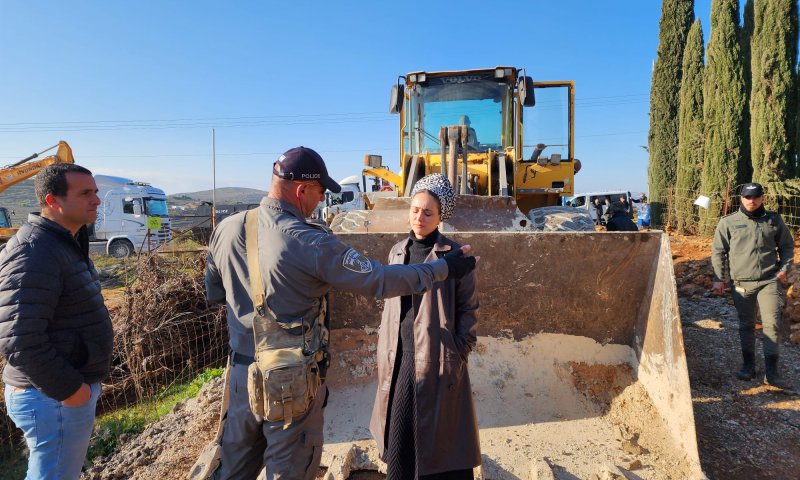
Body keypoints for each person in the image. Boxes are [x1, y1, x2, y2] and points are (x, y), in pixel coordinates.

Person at [203, 147, 477, 480]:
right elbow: (378, 279)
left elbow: (215, 293)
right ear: (302, 190)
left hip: (240, 377)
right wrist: (442, 268)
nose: (321, 201)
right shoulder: (309, 241)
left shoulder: (227, 230)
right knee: (288, 470)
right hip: (288, 385)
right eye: (319, 192)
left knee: (231, 469)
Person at [0, 164, 113, 479]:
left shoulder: (62, 243)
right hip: (51, 396)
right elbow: (19, 339)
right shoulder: (34, 252)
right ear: (52, 200)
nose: (97, 201)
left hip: (58, 394)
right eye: (86, 193)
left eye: (96, 192)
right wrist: (71, 391)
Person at [370, 174, 481, 480]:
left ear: (440, 216)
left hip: (438, 358)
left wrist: (459, 350)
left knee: (441, 445)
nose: (419, 217)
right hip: (400, 358)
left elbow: (468, 309)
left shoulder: (456, 256)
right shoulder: (396, 251)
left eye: (428, 212)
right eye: (415, 210)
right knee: (401, 437)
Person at [711, 183, 794, 391]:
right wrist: (719, 278)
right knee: (746, 324)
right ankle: (748, 366)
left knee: (772, 324)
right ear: (741, 198)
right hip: (742, 283)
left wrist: (784, 269)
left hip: (769, 280)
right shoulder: (728, 222)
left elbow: (786, 246)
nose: (752, 201)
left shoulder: (773, 220)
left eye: (756, 197)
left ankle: (772, 373)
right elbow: (718, 251)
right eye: (747, 197)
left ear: (762, 198)